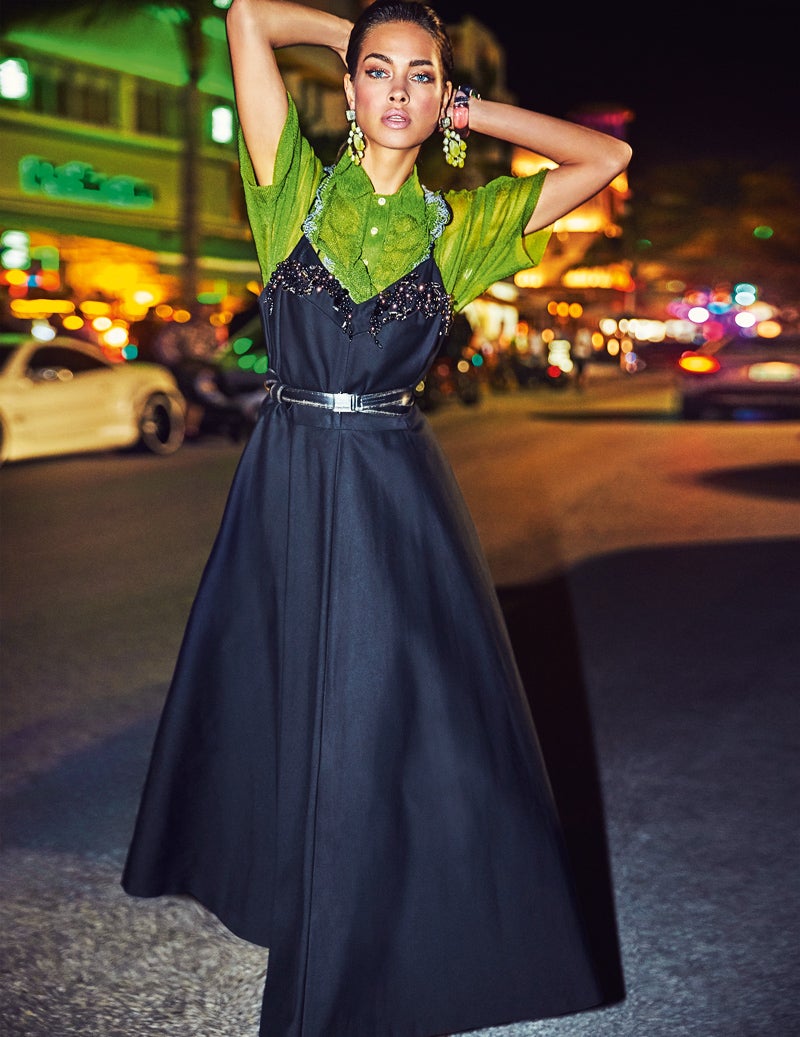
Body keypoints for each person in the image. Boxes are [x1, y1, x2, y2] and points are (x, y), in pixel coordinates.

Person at [121, 2, 632, 1035]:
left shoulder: (464, 227)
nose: (399, 90)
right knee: (291, 694)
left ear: (445, 96)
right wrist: (356, 38)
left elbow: (604, 156)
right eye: (378, 72)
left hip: (395, 487)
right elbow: (250, 16)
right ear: (349, 89)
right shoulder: (290, 191)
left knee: (388, 706)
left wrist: (465, 109)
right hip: (289, 472)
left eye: (421, 76)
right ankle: (293, 887)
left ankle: (380, 936)